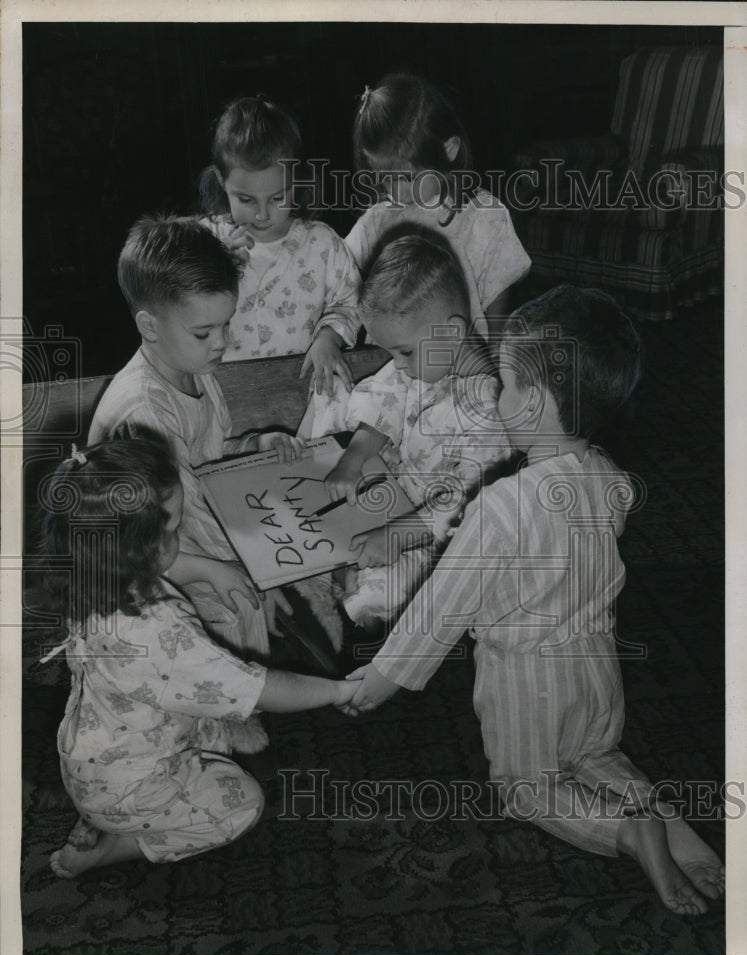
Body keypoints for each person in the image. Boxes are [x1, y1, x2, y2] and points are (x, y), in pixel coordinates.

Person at [344, 285, 726, 916]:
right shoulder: (608, 476)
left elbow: (443, 608)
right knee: (598, 755)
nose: (497, 395)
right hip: (598, 665)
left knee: (528, 788)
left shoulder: (502, 506)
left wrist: (383, 680)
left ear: (540, 403)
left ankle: (627, 834)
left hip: (528, 679)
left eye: (509, 385)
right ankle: (685, 844)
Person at [41, 439, 360, 878]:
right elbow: (260, 689)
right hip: (129, 789)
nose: (178, 535)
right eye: (172, 530)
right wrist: (339, 689)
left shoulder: (91, 576)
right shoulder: (159, 632)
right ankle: (122, 844)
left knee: (212, 727)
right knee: (241, 803)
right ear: (137, 548)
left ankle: (105, 814)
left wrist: (209, 567)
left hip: (91, 764)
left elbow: (160, 568)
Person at [88, 214, 304, 683]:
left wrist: (253, 443)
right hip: (145, 562)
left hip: (194, 532)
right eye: (204, 332)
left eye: (226, 324)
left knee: (259, 580)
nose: (223, 342)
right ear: (149, 325)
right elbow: (146, 536)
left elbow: (208, 452)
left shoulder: (194, 369)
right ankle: (220, 711)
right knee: (229, 603)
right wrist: (246, 563)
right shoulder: (143, 412)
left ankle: (242, 691)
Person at [298, 225, 511, 631]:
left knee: (378, 602)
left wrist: (394, 536)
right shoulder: (423, 362)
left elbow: (463, 505)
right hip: (393, 488)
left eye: (403, 352)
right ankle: (342, 557)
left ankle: (363, 604)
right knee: (331, 388)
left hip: (432, 538)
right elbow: (384, 400)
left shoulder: (487, 412)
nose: (397, 364)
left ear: (451, 330)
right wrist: (354, 457)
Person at [346, 72, 531, 337]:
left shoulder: (484, 215)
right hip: (396, 364)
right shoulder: (377, 219)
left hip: (463, 363)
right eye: (384, 178)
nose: (396, 192)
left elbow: (497, 302)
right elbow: (339, 272)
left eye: (407, 178)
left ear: (449, 149)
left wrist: (496, 363)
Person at [199, 95, 361, 395]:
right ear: (222, 180)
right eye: (246, 200)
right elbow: (176, 305)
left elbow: (348, 300)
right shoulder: (205, 242)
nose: (262, 214)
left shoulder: (322, 244)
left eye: (277, 198)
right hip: (222, 399)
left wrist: (329, 337)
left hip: (301, 397)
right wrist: (216, 268)